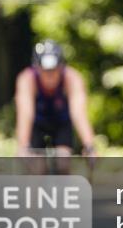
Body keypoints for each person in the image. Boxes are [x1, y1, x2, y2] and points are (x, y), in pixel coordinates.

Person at [14, 39, 96, 173]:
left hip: (61, 123)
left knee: (63, 162)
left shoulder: (72, 78)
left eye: (54, 70)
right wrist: (23, 146)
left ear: (61, 67)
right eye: (45, 71)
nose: (50, 76)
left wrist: (89, 146)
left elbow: (79, 114)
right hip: (37, 124)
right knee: (36, 167)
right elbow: (25, 113)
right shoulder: (26, 79)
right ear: (37, 69)